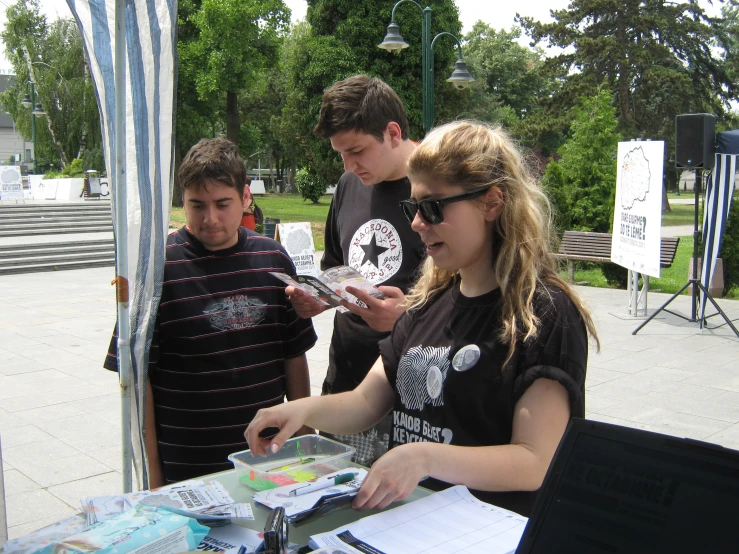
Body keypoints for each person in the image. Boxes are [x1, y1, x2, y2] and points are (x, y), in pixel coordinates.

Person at [246, 121, 599, 517]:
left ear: (492, 203)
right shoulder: (428, 304)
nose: (417, 223)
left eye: (432, 207)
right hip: (413, 526)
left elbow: (535, 461)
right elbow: (365, 402)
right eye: (413, 207)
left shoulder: (542, 312)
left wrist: (425, 458)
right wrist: (301, 411)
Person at [105, 138, 317, 487]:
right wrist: (154, 478)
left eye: (223, 204)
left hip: (267, 458)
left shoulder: (274, 259)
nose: (211, 218)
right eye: (196, 205)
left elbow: (294, 354)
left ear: (245, 196)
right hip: (188, 467)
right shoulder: (155, 269)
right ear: (182, 201)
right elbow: (136, 378)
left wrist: (304, 439)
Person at [284, 75, 426, 464]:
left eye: (357, 151)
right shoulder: (349, 184)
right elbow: (337, 265)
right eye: (340, 153)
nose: (348, 165)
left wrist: (405, 317)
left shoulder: (436, 187)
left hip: (411, 392)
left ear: (393, 133)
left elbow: (465, 294)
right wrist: (320, 298)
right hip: (346, 382)